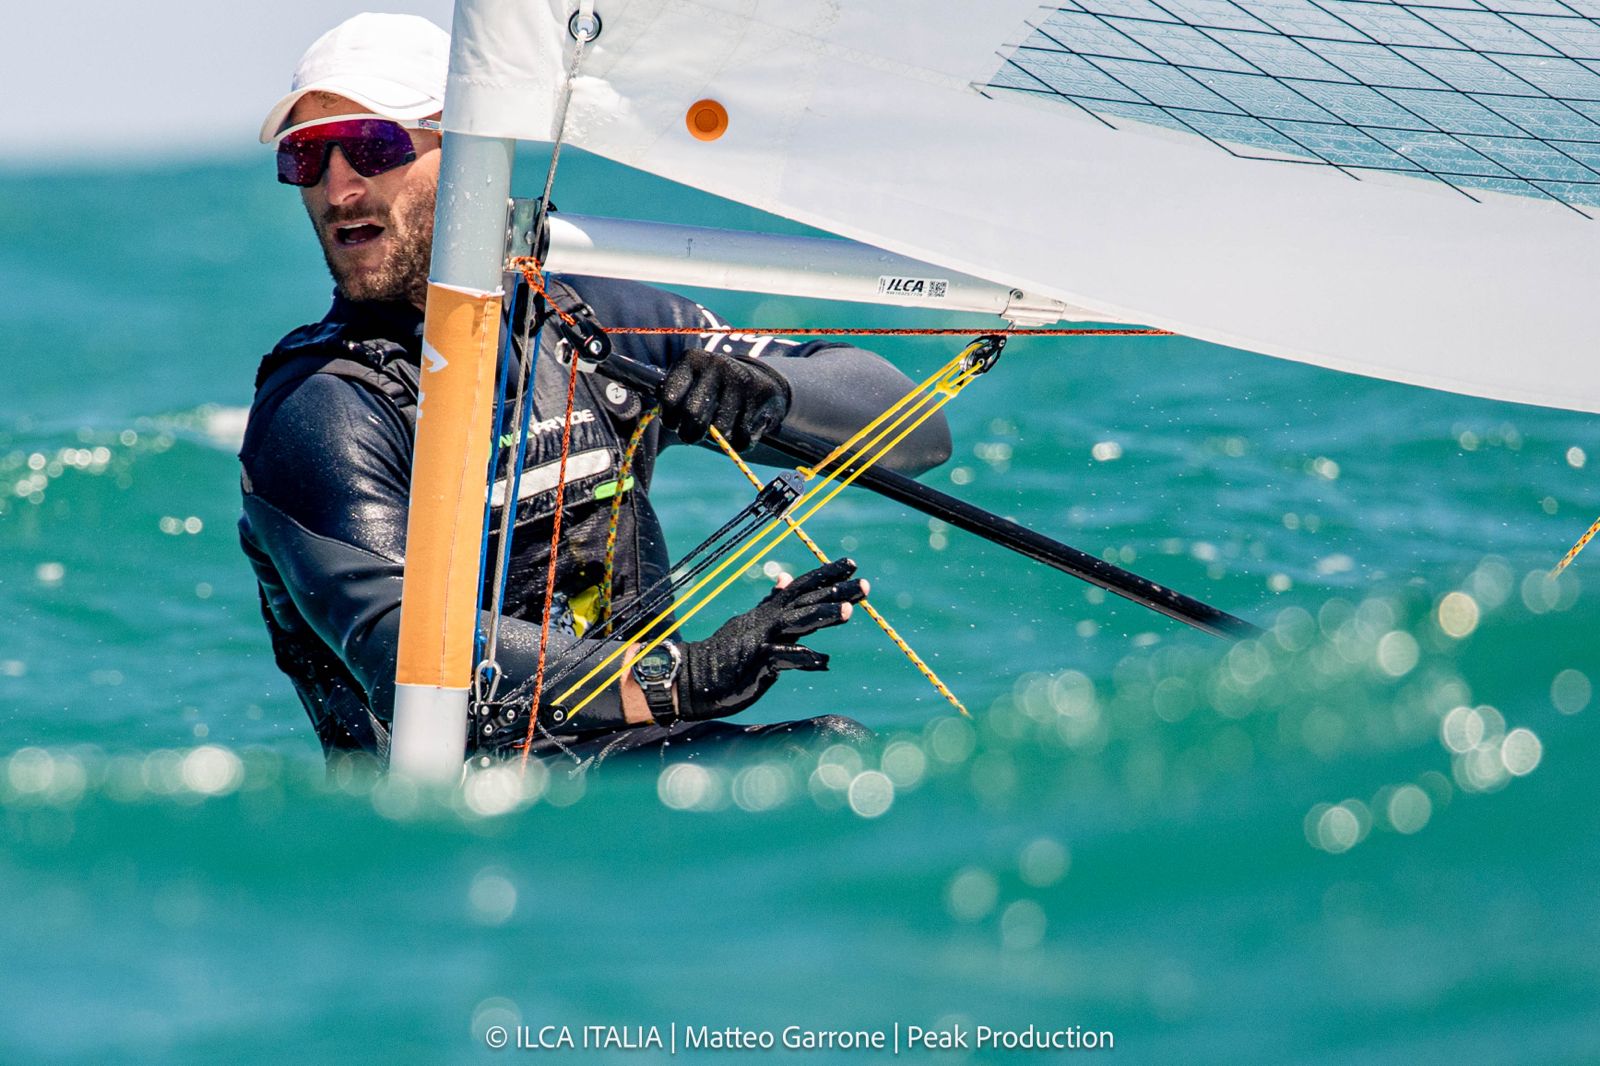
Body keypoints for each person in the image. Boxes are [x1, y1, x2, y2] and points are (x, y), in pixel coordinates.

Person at [239, 13, 950, 766]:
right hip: (469, 817)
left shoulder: (589, 321)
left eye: (373, 146)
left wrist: (770, 390)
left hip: (643, 761)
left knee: (841, 756)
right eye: (307, 157)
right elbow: (401, 650)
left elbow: (918, 434)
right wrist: (683, 677)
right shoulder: (319, 407)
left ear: (469, 148)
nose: (338, 189)